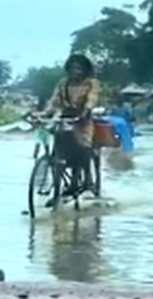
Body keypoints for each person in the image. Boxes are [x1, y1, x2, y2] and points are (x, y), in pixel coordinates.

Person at [37, 53, 101, 202]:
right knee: (58, 149)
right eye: (72, 68)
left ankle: (86, 179)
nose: (75, 72)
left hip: (83, 120)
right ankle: (57, 190)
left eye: (79, 68)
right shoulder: (62, 83)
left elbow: (92, 99)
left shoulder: (92, 83)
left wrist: (85, 112)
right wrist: (44, 113)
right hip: (64, 118)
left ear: (85, 70)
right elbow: (54, 101)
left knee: (84, 146)